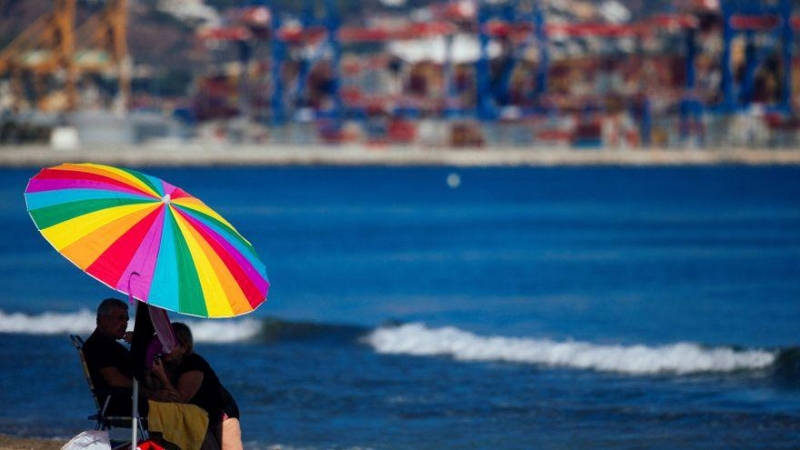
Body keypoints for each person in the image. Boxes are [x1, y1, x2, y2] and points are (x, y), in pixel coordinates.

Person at [149, 322, 243, 450]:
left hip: (221, 414)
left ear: (184, 347)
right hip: (197, 417)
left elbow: (180, 400)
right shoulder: (162, 362)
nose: (165, 348)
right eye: (163, 343)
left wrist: (161, 376)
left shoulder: (193, 363)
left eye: (170, 344)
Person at [81, 297, 137, 416]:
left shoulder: (109, 344)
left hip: (131, 399)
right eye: (120, 319)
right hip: (125, 403)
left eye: (126, 320)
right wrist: (148, 392)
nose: (125, 324)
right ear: (103, 319)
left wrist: (138, 343)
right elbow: (115, 380)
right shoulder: (98, 345)